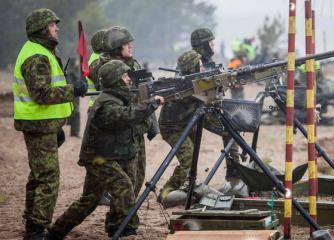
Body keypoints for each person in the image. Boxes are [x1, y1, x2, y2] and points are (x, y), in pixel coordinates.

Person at [47, 60, 164, 238]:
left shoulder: (118, 98)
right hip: (98, 159)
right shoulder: (107, 104)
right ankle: (125, 229)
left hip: (107, 155)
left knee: (89, 201)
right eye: (124, 76)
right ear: (115, 80)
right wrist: (150, 104)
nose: (129, 79)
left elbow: (130, 126)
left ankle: (55, 233)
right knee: (123, 187)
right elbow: (126, 117)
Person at [13, 8, 87, 239]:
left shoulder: (41, 51)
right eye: (53, 25)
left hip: (43, 125)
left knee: (38, 176)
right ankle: (36, 231)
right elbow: (42, 94)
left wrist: (56, 126)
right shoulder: (36, 56)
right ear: (42, 29)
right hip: (38, 125)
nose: (57, 28)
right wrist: (73, 89)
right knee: (48, 179)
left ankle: (33, 226)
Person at [190, 28, 241, 187]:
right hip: (193, 110)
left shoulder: (204, 61)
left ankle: (234, 173)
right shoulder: (194, 62)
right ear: (203, 45)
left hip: (203, 108)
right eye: (211, 43)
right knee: (230, 130)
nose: (213, 46)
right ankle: (234, 175)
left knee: (231, 130)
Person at [157, 50, 205, 201]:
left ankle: (188, 186)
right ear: (193, 68)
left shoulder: (191, 81)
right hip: (172, 128)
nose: (203, 68)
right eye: (200, 65)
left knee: (193, 157)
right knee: (188, 159)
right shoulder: (181, 85)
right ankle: (167, 193)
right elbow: (197, 97)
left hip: (186, 123)